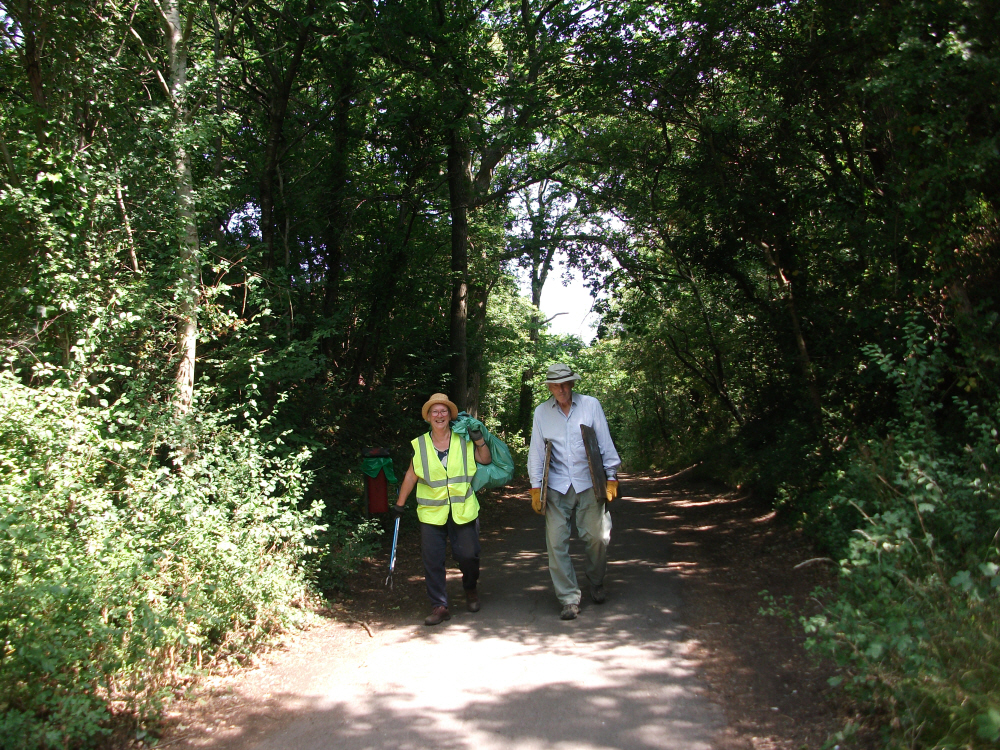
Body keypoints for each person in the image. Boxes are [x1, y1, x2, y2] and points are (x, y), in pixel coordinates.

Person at [528, 363, 620, 620]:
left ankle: (596, 580)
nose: (561, 389)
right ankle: (568, 598)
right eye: (556, 385)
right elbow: (536, 452)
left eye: (566, 383)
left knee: (597, 538)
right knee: (556, 542)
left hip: (589, 481)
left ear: (573, 384)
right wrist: (536, 488)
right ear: (549, 387)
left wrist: (611, 476)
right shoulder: (541, 413)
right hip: (556, 485)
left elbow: (604, 441)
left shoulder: (591, 405)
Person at [393, 393, 492, 626]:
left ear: (450, 416)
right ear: (428, 417)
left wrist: (478, 439)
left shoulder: (464, 439)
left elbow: (485, 460)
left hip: (463, 509)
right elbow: (411, 475)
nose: (439, 415)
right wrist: (399, 504)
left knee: (469, 556)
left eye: (443, 411)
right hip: (431, 513)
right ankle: (439, 606)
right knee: (433, 560)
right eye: (434, 412)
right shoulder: (420, 444)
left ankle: (470, 589)